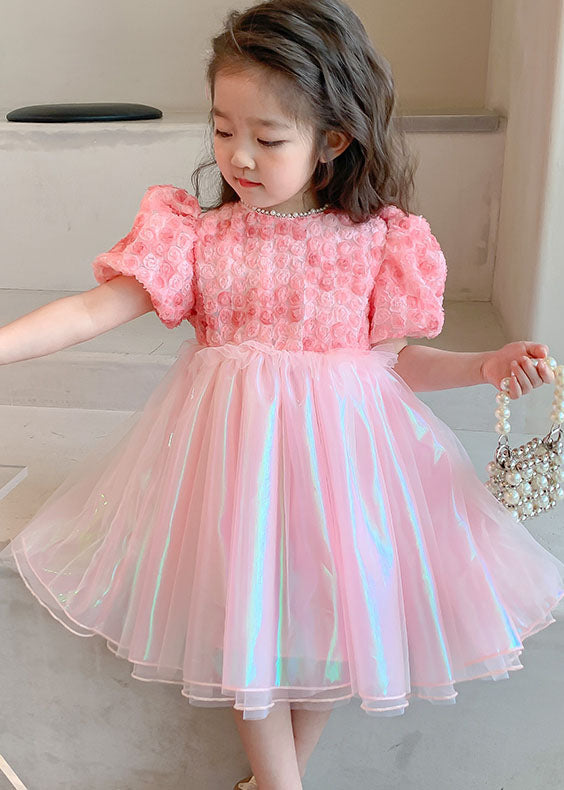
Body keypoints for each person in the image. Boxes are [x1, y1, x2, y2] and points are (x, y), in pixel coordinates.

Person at [1, 1, 563, 788]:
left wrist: (486, 365)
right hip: (237, 465)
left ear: (334, 139)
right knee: (248, 620)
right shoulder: (198, 235)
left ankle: (272, 780)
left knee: (334, 622)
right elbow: (94, 309)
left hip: (344, 470)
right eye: (223, 129)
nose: (239, 156)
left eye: (268, 139)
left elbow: (394, 363)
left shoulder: (377, 242)